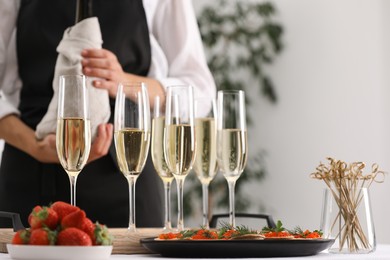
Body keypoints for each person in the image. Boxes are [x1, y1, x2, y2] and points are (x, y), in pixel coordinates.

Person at [0, 0, 216, 228]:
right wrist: (34, 146)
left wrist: (123, 81)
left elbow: (199, 90)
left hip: (128, 175)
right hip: (31, 172)